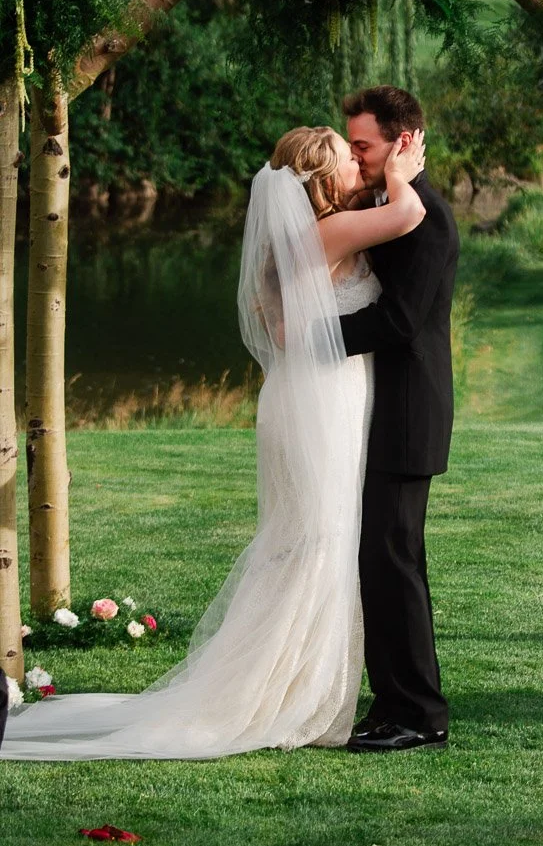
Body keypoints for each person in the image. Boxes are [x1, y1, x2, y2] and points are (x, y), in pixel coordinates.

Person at [0, 123, 425, 760]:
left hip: (303, 396)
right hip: (322, 401)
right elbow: (409, 214)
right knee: (318, 539)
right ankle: (282, 696)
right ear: (319, 180)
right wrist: (400, 173)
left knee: (302, 538)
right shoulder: (328, 232)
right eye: (345, 162)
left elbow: (280, 326)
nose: (355, 172)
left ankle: (282, 684)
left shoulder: (291, 240)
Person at [339, 86, 459, 753]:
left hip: (408, 414)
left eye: (363, 146)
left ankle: (419, 714)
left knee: (393, 561)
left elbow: (399, 320)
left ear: (402, 142)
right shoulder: (388, 205)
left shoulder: (427, 217)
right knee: (380, 560)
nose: (354, 156)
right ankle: (392, 703)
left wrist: (312, 335)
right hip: (379, 412)